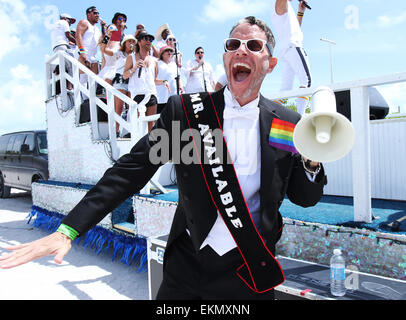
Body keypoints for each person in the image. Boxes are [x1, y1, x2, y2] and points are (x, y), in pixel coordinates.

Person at [0, 16, 326, 300]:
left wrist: (312, 161)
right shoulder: (188, 113)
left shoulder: (287, 123)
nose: (242, 50)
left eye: (253, 46)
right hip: (186, 270)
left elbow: (304, 197)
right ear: (226, 57)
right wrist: (67, 230)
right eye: (233, 44)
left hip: (248, 274)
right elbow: (131, 171)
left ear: (270, 63)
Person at [270, 0, 311, 115]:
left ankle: (270, 114)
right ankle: (300, 117)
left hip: (288, 50)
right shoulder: (279, 4)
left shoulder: (287, 9)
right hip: (293, 47)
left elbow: (296, 29)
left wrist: (300, 12)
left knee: (285, 89)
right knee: (306, 82)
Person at [123, 30, 159, 132]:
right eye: (146, 39)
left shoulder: (154, 60)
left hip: (151, 94)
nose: (149, 41)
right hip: (137, 94)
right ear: (139, 42)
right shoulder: (131, 57)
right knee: (137, 127)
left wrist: (164, 82)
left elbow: (154, 79)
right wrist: (134, 69)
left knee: (151, 128)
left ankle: (150, 147)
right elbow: (125, 76)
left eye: (151, 39)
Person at [102, 34, 136, 137]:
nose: (131, 43)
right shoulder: (119, 53)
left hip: (131, 82)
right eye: (129, 41)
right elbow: (106, 51)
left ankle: (131, 130)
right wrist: (105, 41)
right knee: (119, 107)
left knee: (132, 107)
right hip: (120, 80)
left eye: (133, 41)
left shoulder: (136, 55)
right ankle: (115, 131)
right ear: (124, 43)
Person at [99, 12, 127, 86]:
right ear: (115, 20)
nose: (122, 20)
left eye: (124, 19)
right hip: (109, 67)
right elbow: (112, 36)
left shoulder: (123, 37)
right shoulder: (112, 28)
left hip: (118, 67)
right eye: (119, 19)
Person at [50, 13, 77, 90]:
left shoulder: (54, 25)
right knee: (72, 65)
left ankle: (66, 87)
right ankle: (70, 87)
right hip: (62, 45)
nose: (70, 24)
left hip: (55, 47)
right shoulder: (64, 22)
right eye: (70, 21)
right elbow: (68, 35)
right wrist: (77, 43)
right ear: (65, 18)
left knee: (64, 65)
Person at [76, 6, 104, 75]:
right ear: (88, 14)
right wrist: (82, 52)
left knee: (95, 81)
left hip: (93, 57)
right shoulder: (84, 22)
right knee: (83, 80)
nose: (97, 15)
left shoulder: (97, 29)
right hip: (83, 54)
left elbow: (102, 41)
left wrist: (103, 27)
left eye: (98, 13)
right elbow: (78, 36)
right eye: (95, 13)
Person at [156, 46, 183, 114]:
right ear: (162, 53)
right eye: (167, 51)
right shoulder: (157, 63)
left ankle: (175, 125)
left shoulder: (174, 64)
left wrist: (180, 85)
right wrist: (163, 82)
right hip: (161, 97)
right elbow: (153, 79)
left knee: (175, 118)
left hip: (174, 96)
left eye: (171, 51)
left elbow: (179, 77)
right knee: (161, 118)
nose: (169, 52)